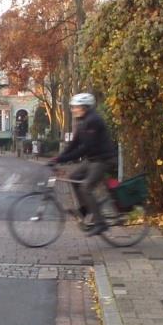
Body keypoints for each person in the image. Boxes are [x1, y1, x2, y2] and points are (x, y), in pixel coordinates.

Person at [50, 93, 117, 236]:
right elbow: (74, 144)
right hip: (92, 159)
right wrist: (58, 157)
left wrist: (63, 159)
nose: (73, 110)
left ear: (84, 107)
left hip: (103, 159)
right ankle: (86, 208)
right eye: (73, 107)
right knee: (74, 177)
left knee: (85, 187)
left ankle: (100, 223)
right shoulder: (82, 121)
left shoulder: (93, 121)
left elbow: (86, 148)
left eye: (75, 107)